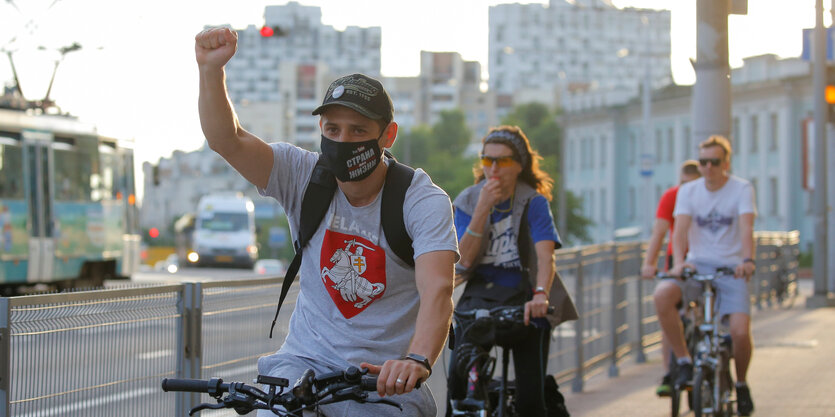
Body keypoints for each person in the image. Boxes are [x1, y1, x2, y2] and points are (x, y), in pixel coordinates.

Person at [195, 27, 459, 417]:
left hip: (381, 379)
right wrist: (209, 71)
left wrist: (416, 359)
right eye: (333, 130)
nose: (342, 141)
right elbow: (227, 140)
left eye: (358, 131)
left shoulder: (421, 200)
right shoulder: (300, 175)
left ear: (388, 135)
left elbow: (438, 289)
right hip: (302, 365)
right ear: (321, 129)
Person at [447, 125, 578, 417]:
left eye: (502, 161)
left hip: (526, 297)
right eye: (487, 160)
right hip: (481, 295)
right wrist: (482, 209)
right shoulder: (469, 200)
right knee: (456, 384)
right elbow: (464, 261)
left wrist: (541, 294)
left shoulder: (534, 202)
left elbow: (546, 258)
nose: (493, 168)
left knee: (531, 401)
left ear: (519, 165)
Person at [659, 135, 757, 416]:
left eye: (715, 162)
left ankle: (740, 383)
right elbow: (679, 231)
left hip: (731, 267)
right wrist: (679, 263)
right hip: (697, 265)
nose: (708, 168)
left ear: (726, 162)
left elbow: (746, 228)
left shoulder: (741, 189)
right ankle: (683, 360)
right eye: (703, 162)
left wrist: (747, 260)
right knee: (663, 295)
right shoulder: (689, 191)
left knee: (739, 332)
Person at [640, 159, 701, 397]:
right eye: (684, 184)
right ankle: (668, 371)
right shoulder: (672, 197)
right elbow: (659, 233)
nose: (689, 190)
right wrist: (648, 264)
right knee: (670, 315)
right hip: (677, 259)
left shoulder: (708, 197)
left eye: (693, 185)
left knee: (704, 308)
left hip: (703, 258)